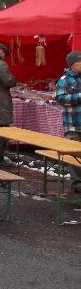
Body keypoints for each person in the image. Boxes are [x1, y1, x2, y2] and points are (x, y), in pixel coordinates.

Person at [55, 51, 81, 191]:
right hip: (73, 125)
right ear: (71, 65)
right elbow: (60, 98)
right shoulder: (64, 80)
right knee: (74, 155)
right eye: (78, 62)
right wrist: (79, 96)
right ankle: (77, 184)